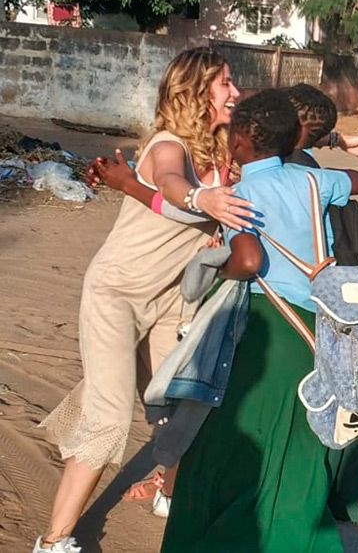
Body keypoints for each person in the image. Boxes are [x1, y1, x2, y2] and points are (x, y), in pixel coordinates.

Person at [34, 47, 254, 553]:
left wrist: (335, 136)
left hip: (170, 301)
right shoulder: (166, 145)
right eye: (224, 84)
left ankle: (166, 493)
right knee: (110, 419)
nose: (234, 92)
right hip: (117, 294)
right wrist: (204, 201)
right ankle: (53, 542)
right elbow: (174, 185)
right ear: (197, 93)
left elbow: (276, 127)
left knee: (182, 408)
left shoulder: (224, 155)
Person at [160, 89, 358, 552]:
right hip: (315, 331)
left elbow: (249, 259)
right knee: (296, 453)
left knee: (229, 454)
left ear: (238, 142)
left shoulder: (239, 194)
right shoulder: (312, 182)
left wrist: (217, 267)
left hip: (261, 330)